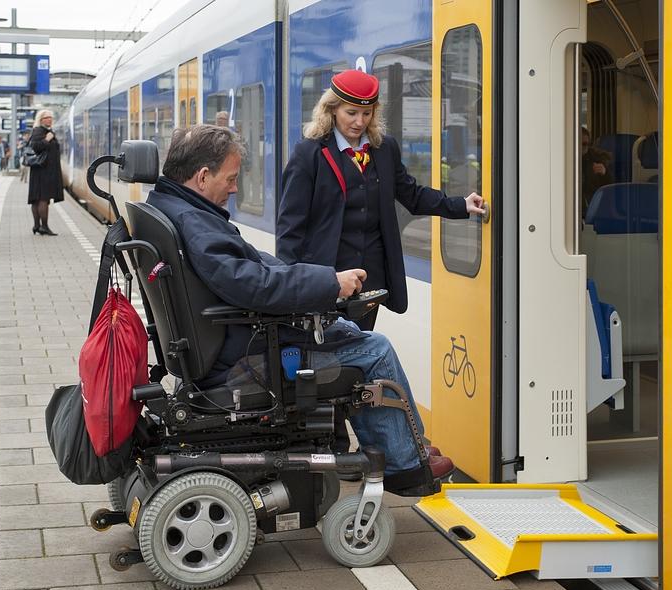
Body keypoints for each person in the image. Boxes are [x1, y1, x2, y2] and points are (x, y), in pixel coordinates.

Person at [145, 124, 453, 495]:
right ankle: (406, 466)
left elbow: (250, 266)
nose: (235, 187)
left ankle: (409, 441)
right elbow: (250, 285)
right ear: (203, 176)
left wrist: (316, 277)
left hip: (230, 344)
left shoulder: (175, 207)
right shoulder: (196, 222)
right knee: (375, 349)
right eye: (231, 178)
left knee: (352, 333)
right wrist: (328, 284)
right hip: (245, 358)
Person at [277, 69, 486, 332]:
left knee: (361, 347)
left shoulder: (384, 149)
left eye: (367, 113)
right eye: (351, 113)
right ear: (332, 110)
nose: (359, 121)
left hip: (370, 278)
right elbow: (290, 223)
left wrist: (459, 205)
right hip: (327, 275)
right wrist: (288, 283)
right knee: (327, 355)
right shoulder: (309, 153)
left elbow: (411, 194)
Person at [27, 110, 64, 235]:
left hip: (42, 170)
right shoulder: (39, 131)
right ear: (41, 119)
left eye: (51, 117)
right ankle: (44, 227)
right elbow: (36, 147)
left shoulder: (44, 131)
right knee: (43, 199)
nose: (50, 119)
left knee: (37, 199)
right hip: (42, 171)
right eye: (47, 117)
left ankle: (37, 226)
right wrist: (47, 140)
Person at [581, 126, 613, 209]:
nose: (583, 147)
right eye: (579, 144)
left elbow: (610, 187)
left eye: (586, 144)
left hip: (592, 203)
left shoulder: (596, 158)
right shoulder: (564, 160)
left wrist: (604, 173)